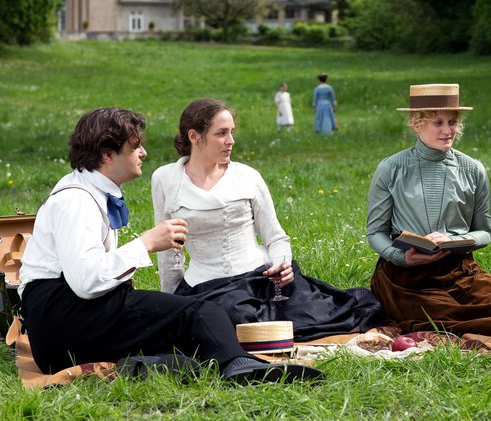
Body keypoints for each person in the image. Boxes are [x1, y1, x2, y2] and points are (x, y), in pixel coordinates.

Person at [18, 107, 320, 383]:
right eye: (135, 146)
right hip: (63, 316)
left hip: (62, 327)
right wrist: (147, 242)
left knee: (181, 337)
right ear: (108, 155)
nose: (144, 153)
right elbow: (85, 281)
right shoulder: (76, 200)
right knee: (204, 313)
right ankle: (240, 367)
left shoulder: (87, 191)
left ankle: (154, 366)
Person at [152, 98, 382, 341]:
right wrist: (171, 303)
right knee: (229, 321)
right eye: (221, 133)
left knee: (320, 317)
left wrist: (282, 264)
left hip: (258, 278)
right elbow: (167, 250)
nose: (231, 141)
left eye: (232, 132)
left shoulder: (247, 176)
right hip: (206, 285)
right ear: (194, 136)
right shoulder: (165, 179)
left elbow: (276, 237)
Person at [367, 84, 491, 336]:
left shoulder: (472, 169)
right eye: (438, 122)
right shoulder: (391, 168)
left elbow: (485, 232)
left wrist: (453, 240)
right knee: (441, 319)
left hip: (459, 271)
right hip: (405, 277)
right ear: (417, 123)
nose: (448, 131)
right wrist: (401, 257)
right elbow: (375, 233)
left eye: (453, 122)